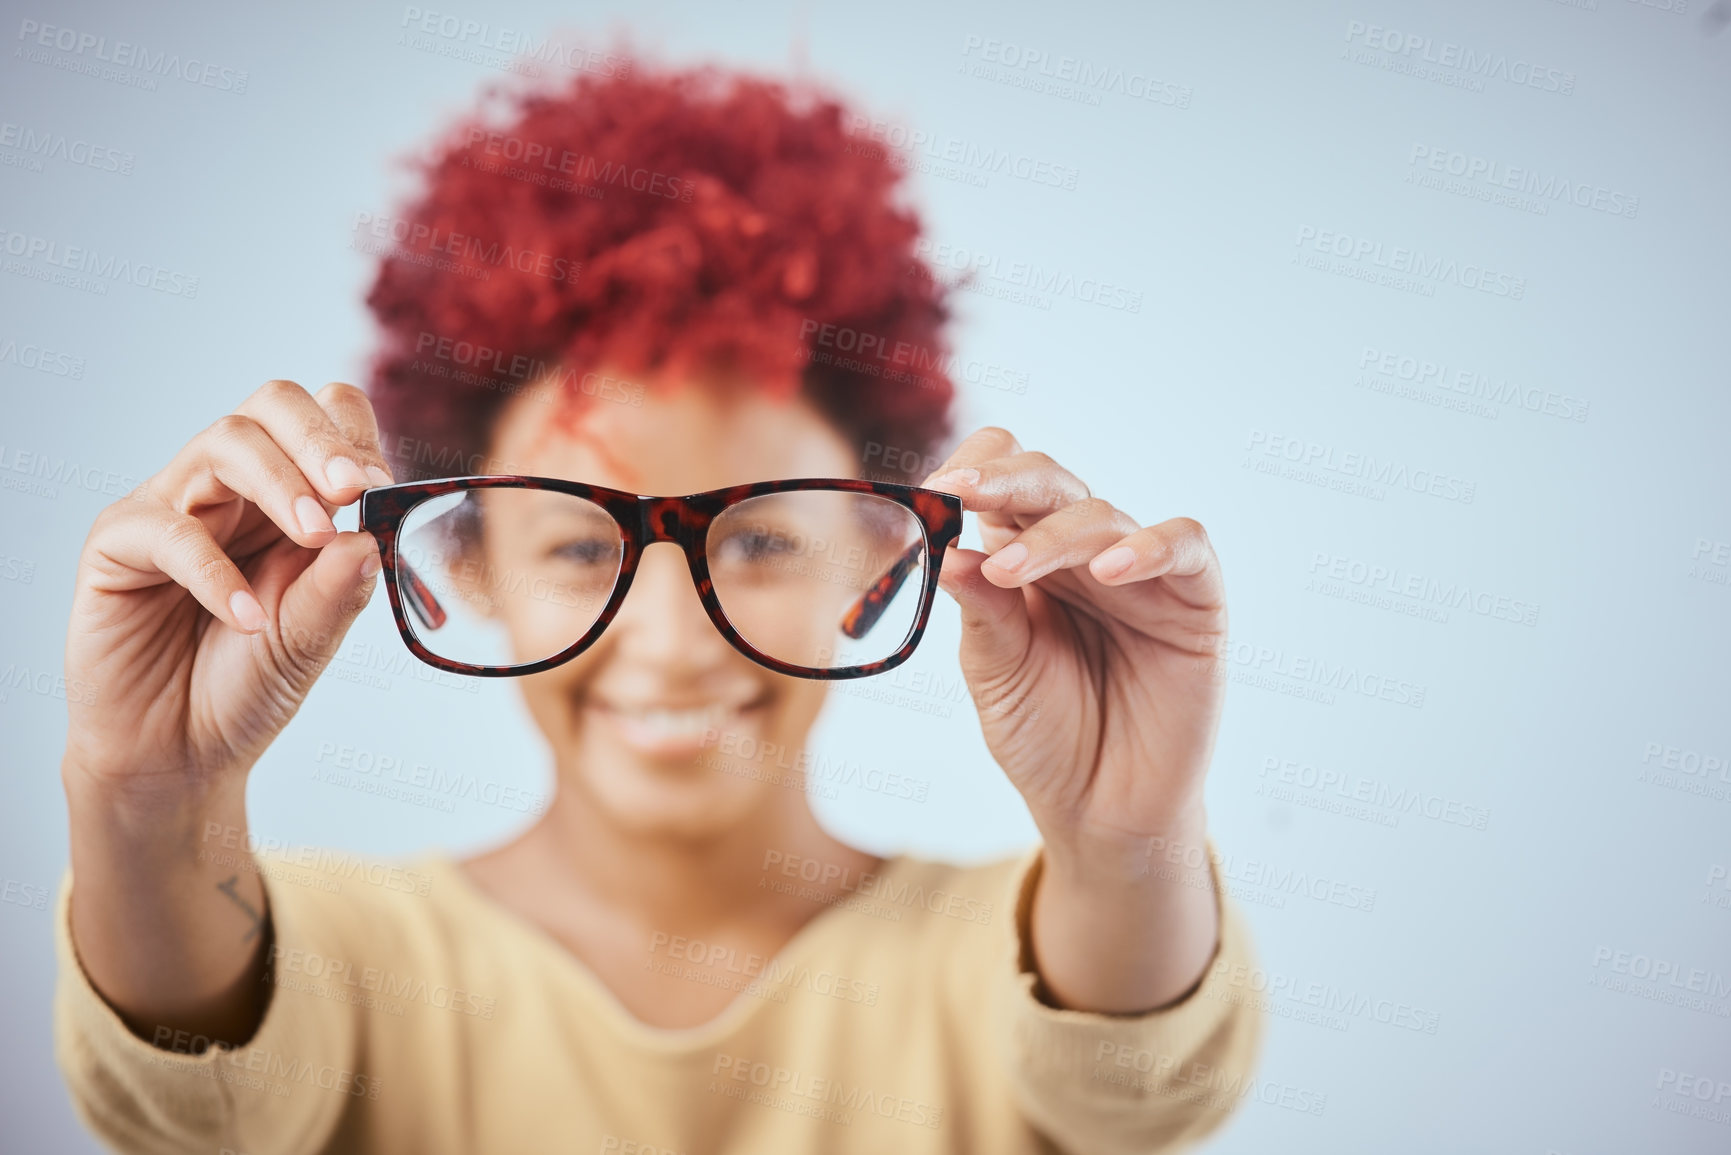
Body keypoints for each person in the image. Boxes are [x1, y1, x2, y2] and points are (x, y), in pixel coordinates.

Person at [52, 52, 1263, 1155]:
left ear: (880, 552)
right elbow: (190, 1111)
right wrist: (151, 805)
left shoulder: (1022, 950)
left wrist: (1125, 845)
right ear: (465, 564)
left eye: (764, 539)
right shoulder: (335, 961)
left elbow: (1132, 1096)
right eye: (582, 548)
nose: (676, 642)